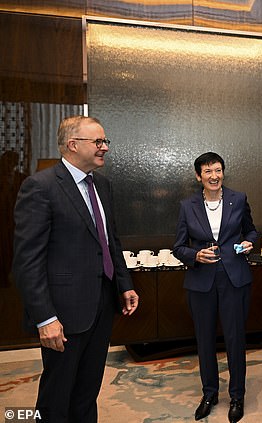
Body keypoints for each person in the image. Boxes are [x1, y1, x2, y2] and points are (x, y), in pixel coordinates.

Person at [13, 115, 139, 422]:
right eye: (98, 142)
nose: (105, 148)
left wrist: (124, 284)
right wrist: (45, 318)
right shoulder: (40, 187)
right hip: (63, 314)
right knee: (56, 397)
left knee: (87, 391)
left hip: (101, 305)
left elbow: (111, 241)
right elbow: (27, 262)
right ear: (73, 145)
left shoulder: (103, 186)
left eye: (104, 141)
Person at [173, 152, 257, 423]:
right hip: (201, 281)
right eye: (207, 171)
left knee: (235, 340)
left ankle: (237, 396)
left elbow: (251, 231)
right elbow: (178, 247)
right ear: (199, 176)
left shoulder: (239, 198)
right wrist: (194, 256)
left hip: (234, 278)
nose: (214, 176)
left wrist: (248, 243)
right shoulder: (187, 206)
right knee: (205, 340)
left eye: (218, 170)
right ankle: (209, 394)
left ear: (223, 172)